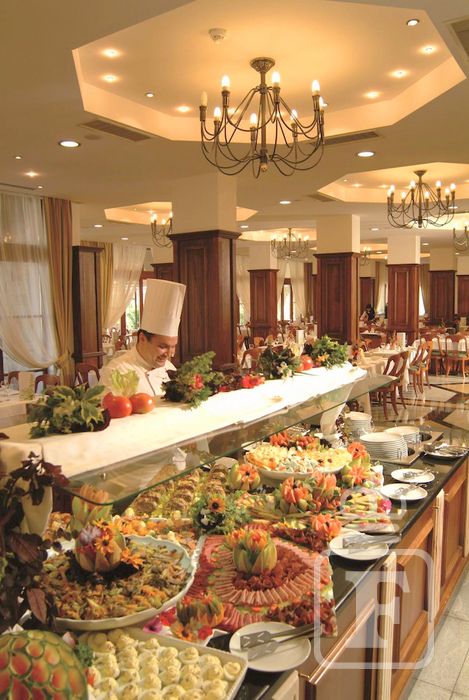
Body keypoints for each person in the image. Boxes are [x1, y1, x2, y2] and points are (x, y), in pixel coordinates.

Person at [100, 279, 186, 397]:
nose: (169, 354)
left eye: (173, 347)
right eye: (163, 346)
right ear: (142, 339)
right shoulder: (117, 371)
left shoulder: (169, 368)